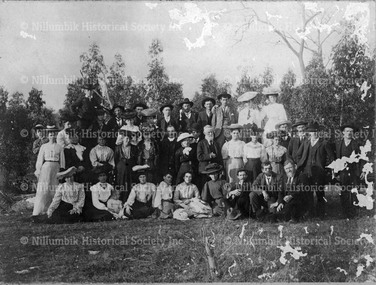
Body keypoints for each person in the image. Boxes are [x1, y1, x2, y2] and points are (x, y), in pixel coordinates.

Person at [296, 122, 335, 219]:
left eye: (312, 132)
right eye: (309, 132)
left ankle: (320, 214)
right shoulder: (306, 143)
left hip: (319, 172)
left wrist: (328, 169)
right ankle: (310, 212)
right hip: (306, 171)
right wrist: (301, 164)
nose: (310, 134)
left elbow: (331, 158)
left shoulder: (324, 143)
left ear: (317, 132)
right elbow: (298, 154)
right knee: (307, 193)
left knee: (319, 193)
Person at [33, 125, 66, 217]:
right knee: (44, 188)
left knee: (54, 188)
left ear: (56, 135)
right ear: (47, 135)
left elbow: (62, 160)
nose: (52, 136)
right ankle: (39, 210)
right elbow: (39, 159)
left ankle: (52, 210)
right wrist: (38, 170)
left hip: (56, 167)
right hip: (46, 167)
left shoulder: (59, 147)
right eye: (50, 134)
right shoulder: (43, 146)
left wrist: (62, 171)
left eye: (54, 134)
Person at [334, 123, 364, 218]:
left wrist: (363, 171)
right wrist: (336, 171)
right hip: (342, 171)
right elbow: (336, 158)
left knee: (355, 191)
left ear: (353, 133)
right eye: (347, 131)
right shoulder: (338, 144)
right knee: (344, 191)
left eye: (351, 131)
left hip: (355, 171)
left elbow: (363, 159)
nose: (349, 133)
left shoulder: (357, 144)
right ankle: (345, 212)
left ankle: (354, 213)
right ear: (343, 132)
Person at [197, 125, 223, 191]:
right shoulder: (201, 143)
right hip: (205, 170)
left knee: (213, 188)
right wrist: (209, 156)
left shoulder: (216, 144)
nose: (211, 134)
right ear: (205, 134)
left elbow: (219, 158)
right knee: (204, 187)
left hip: (214, 171)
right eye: (209, 132)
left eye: (212, 132)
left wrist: (221, 169)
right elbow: (199, 157)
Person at [114, 131, 138, 202]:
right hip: (121, 169)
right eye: (126, 139)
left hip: (130, 168)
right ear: (123, 139)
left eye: (129, 139)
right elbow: (116, 159)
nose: (127, 140)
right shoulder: (118, 148)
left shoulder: (133, 148)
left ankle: (129, 200)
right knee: (121, 183)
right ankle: (121, 199)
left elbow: (135, 159)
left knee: (129, 183)